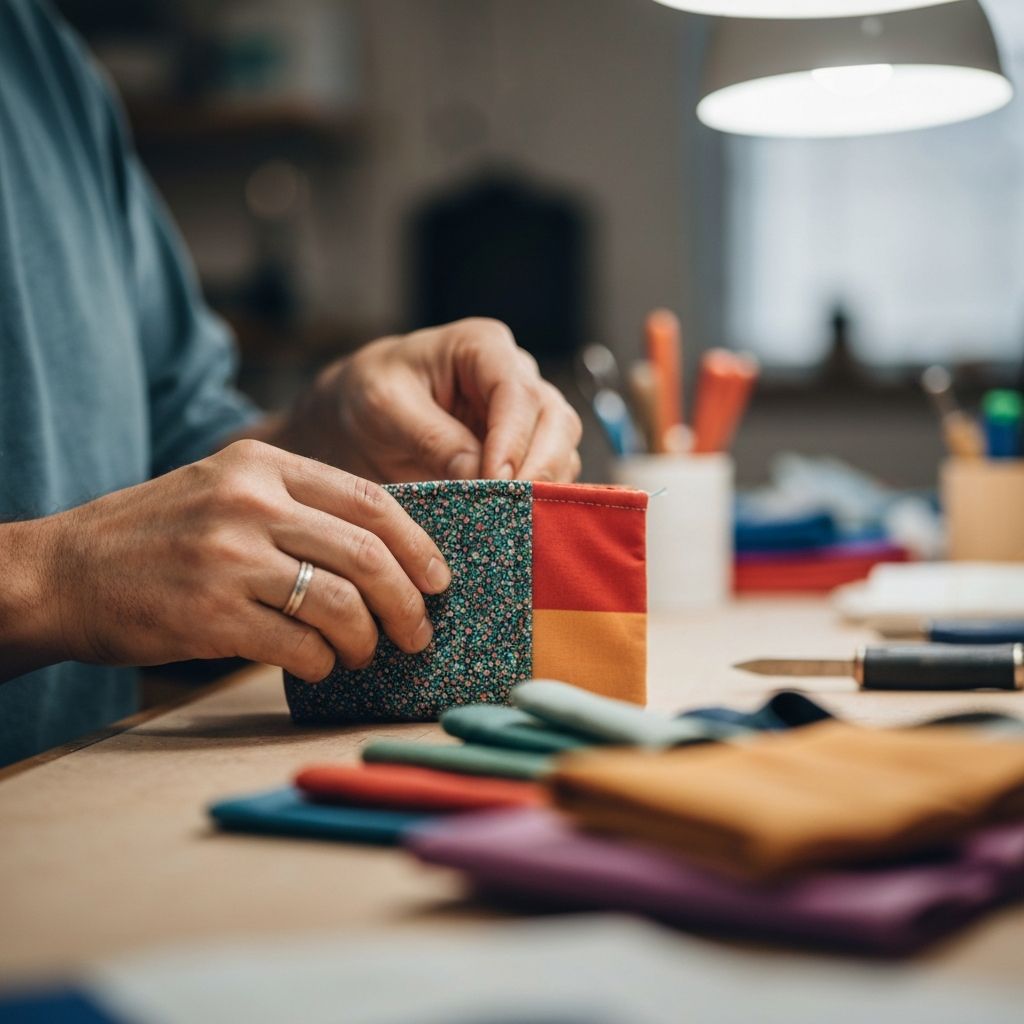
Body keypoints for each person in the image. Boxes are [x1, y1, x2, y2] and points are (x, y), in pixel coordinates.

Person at [0, 0, 583, 766]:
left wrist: (324, 432)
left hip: (79, 803)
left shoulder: (44, 63)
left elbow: (174, 454)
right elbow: (111, 546)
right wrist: (56, 578)